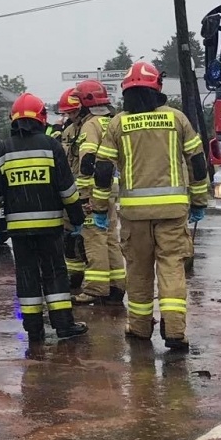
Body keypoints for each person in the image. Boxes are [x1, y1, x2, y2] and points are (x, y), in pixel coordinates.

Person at [91, 62, 208, 352]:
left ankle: (141, 329)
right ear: (157, 88)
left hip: (134, 215)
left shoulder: (119, 123)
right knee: (171, 267)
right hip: (173, 212)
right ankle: (175, 330)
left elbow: (103, 169)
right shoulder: (177, 119)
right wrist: (199, 201)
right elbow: (197, 162)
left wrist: (99, 208)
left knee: (139, 271)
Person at [0, 92, 89, 342]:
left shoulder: (2, 150)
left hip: (18, 230)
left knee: (27, 274)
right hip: (50, 227)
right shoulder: (51, 146)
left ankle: (33, 329)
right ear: (41, 118)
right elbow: (67, 189)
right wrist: (76, 219)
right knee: (55, 273)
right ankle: (64, 326)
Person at [71, 78, 125, 305]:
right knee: (110, 236)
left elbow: (87, 160)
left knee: (93, 238)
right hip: (112, 187)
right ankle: (116, 286)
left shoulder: (90, 125)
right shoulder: (112, 122)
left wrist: (83, 193)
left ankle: (96, 288)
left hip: (93, 189)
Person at [55, 88, 88, 289]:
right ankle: (74, 278)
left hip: (88, 193)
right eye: (67, 113)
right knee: (69, 239)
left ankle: (94, 283)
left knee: (89, 242)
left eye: (73, 112)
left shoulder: (90, 129)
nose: (70, 116)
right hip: (71, 191)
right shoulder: (68, 132)